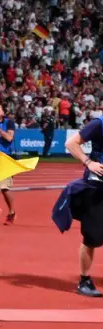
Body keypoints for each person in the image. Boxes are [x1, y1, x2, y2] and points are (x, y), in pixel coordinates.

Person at [58, 116, 103, 297]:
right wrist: (88, 162)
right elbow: (71, 143)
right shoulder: (99, 124)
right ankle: (84, 281)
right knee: (93, 237)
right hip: (97, 188)